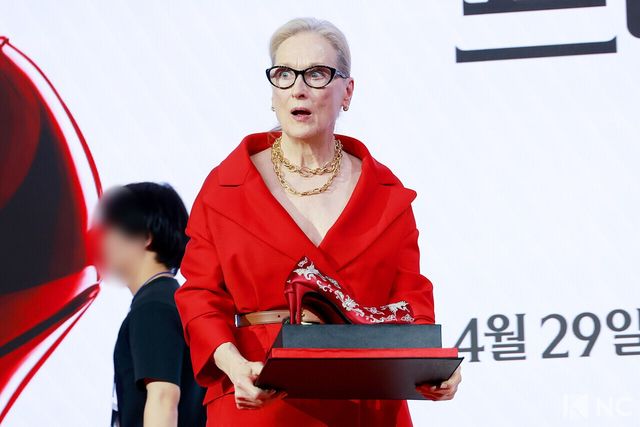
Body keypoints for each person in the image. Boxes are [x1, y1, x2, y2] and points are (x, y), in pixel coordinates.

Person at [174, 18, 462, 426]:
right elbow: (200, 295)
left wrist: (431, 365)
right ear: (273, 92)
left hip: (365, 398)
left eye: (316, 74)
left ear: (348, 91)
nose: (298, 88)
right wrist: (234, 365)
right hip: (261, 395)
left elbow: (410, 298)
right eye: (284, 74)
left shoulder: (384, 192)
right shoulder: (228, 186)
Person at [96, 182, 206, 427]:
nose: (102, 241)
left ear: (145, 237)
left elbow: (163, 398)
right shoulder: (165, 299)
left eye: (111, 229)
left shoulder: (154, 307)